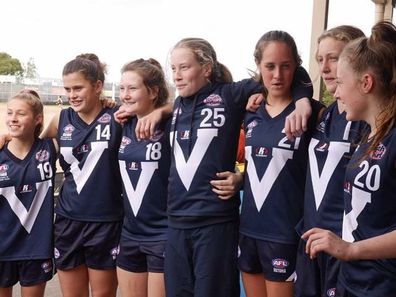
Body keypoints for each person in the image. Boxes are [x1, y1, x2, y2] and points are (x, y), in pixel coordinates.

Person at [164, 37, 313, 297]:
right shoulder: (176, 106)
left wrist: (302, 101)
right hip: (176, 223)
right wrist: (158, 112)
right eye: (174, 68)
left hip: (215, 223)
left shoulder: (230, 95)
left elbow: (285, 73)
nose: (177, 75)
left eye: (184, 67)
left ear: (206, 68)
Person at [303, 21, 396, 297]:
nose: (336, 92)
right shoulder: (369, 136)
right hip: (352, 280)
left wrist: (351, 249)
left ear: (366, 82)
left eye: (341, 83)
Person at [238, 30, 323, 297]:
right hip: (249, 230)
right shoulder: (250, 113)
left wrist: (303, 101)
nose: (277, 75)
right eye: (270, 66)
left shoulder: (311, 113)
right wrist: (237, 178)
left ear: (296, 67)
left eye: (285, 66)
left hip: (285, 235)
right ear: (258, 66)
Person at [41, 53, 124, 297]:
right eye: (68, 89)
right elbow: (33, 146)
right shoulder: (60, 119)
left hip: (107, 221)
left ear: (98, 86)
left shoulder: (118, 117)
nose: (72, 95)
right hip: (68, 219)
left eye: (78, 88)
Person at [293, 26, 367, 297]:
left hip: (344, 246)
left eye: (333, 58)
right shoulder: (325, 113)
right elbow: (292, 72)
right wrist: (303, 99)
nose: (324, 68)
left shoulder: (368, 116)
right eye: (320, 59)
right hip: (311, 242)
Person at [115, 58, 170, 297]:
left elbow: (187, 104)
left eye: (132, 88)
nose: (125, 95)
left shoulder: (170, 123)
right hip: (130, 233)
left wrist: (161, 111)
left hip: (163, 234)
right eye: (122, 88)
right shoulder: (123, 123)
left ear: (154, 91)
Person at [0, 89, 57, 297]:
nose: (13, 119)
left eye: (21, 114)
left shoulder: (50, 148)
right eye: (9, 112)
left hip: (37, 247)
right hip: (2, 248)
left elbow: (75, 120)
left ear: (37, 118)